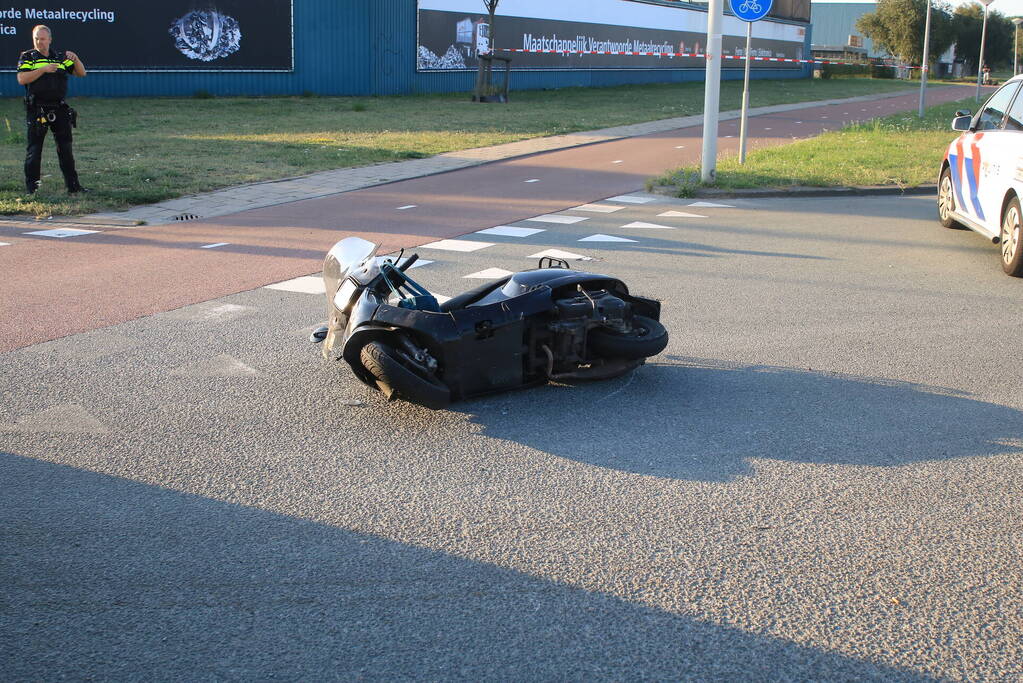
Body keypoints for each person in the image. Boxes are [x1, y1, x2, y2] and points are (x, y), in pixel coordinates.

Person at [16, 24, 87, 195]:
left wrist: (76, 59)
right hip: (37, 108)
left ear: (50, 39)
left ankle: (73, 187)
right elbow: (22, 79)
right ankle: (32, 189)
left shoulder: (60, 57)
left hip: (59, 108)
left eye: (42, 38)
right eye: (36, 39)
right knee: (34, 150)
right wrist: (43, 69)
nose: (40, 42)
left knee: (66, 148)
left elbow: (81, 73)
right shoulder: (28, 56)